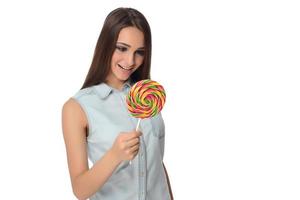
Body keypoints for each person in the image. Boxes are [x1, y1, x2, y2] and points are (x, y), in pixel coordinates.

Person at [62, 7, 173, 200]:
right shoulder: (77, 108)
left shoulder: (147, 97)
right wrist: (114, 155)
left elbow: (158, 165)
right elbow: (80, 190)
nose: (130, 61)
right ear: (106, 45)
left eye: (139, 52)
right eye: (122, 48)